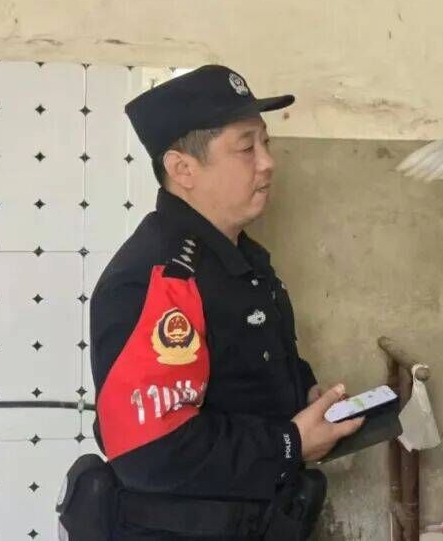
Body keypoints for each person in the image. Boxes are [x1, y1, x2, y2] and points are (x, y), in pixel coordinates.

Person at [88, 64, 362, 539]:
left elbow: (250, 366)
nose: (267, 162)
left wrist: (305, 396)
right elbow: (150, 451)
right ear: (183, 169)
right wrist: (290, 443)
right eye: (246, 148)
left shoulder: (243, 257)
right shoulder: (162, 275)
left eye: (266, 143)